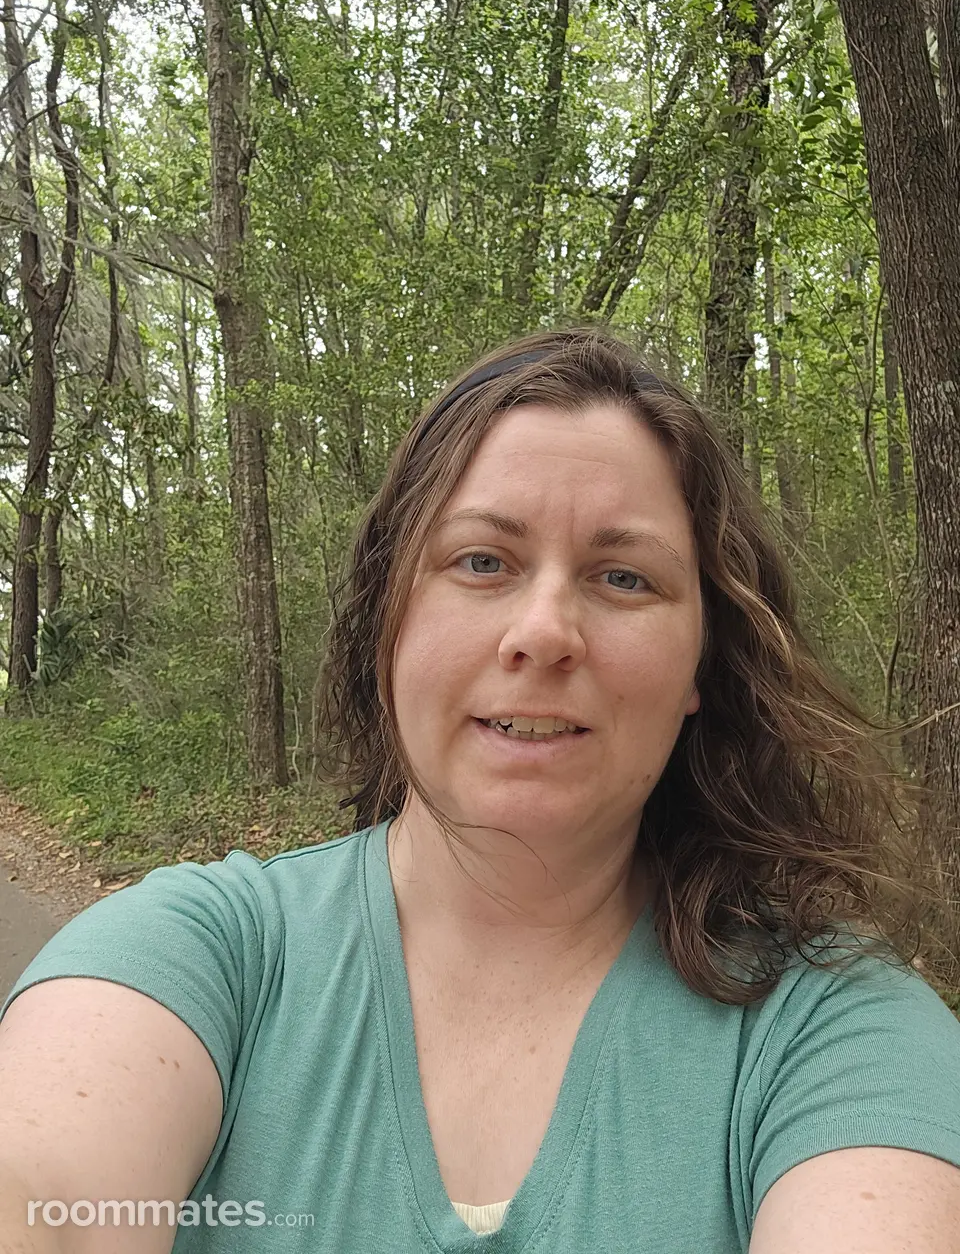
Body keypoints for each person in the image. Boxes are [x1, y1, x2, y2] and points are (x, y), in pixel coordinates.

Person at [1, 325, 959, 1254]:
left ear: (701, 664)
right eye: (482, 562)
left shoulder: (833, 1030)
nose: (543, 633)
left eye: (624, 578)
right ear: (390, 619)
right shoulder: (201, 958)